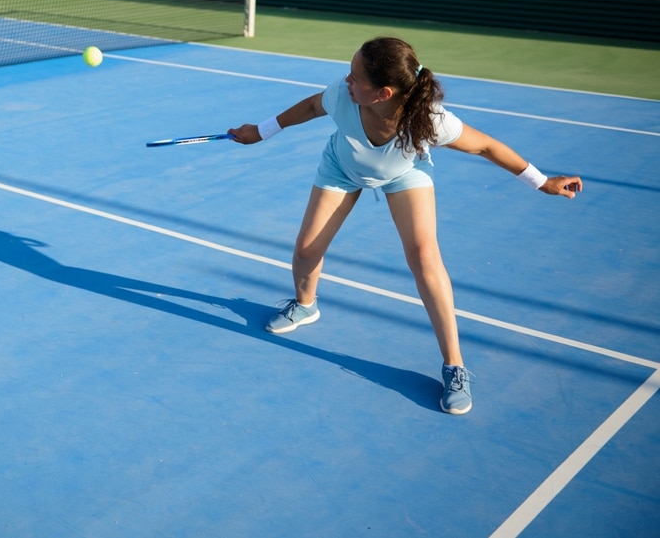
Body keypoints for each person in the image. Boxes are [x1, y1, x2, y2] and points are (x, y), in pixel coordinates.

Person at [228, 37, 582, 415]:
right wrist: (262, 130)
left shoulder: (430, 120)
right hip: (341, 168)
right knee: (306, 250)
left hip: (403, 175)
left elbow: (485, 146)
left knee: (425, 259)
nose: (346, 79)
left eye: (355, 76)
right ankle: (305, 305)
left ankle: (455, 365)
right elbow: (314, 105)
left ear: (382, 93)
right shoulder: (342, 96)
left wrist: (542, 182)